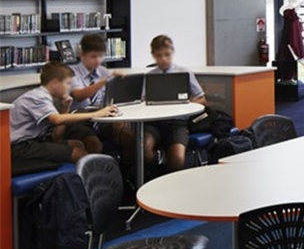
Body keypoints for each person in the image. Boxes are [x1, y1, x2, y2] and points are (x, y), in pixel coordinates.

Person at [10, 62, 117, 171]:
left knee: (79, 144)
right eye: (68, 83)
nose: (69, 88)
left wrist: (65, 108)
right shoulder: (38, 97)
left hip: (35, 140)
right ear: (55, 83)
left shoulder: (46, 97)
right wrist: (96, 114)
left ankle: (85, 176)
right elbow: (56, 120)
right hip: (19, 147)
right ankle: (95, 178)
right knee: (78, 153)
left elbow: (57, 136)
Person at [145, 35, 206, 171]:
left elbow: (201, 98)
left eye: (167, 54)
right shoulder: (150, 76)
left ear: (172, 52)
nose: (163, 59)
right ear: (153, 55)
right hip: (154, 123)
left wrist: (186, 105)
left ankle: (168, 178)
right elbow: (144, 100)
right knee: (144, 150)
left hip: (177, 123)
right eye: (159, 55)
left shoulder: (184, 73)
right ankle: (155, 174)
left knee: (177, 159)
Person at [69, 33, 134, 161]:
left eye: (101, 56)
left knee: (127, 134)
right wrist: (104, 81)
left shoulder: (103, 71)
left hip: (101, 116)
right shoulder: (72, 72)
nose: (98, 60)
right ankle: (95, 170)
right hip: (80, 119)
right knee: (95, 144)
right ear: (82, 55)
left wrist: (122, 84)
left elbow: (112, 96)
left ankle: (125, 168)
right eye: (93, 56)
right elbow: (79, 95)